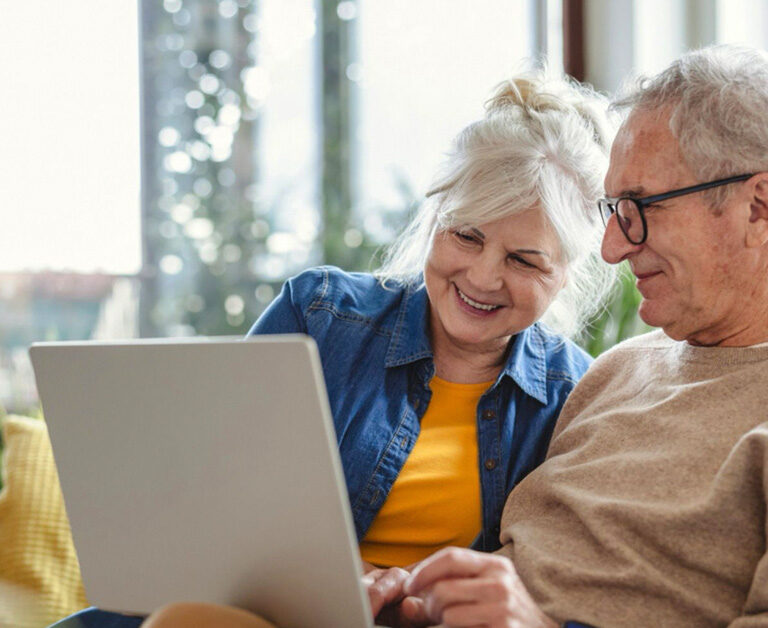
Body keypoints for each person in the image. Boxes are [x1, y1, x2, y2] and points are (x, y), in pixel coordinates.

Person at [49, 68, 616, 627]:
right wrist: (351, 578)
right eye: (466, 235)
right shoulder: (320, 315)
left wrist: (408, 599)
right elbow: (215, 512)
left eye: (523, 260)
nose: (484, 276)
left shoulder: (577, 398)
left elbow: (559, 591)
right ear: (434, 217)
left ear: (566, 272)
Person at [362, 43, 768, 627]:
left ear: (757, 208)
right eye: (614, 208)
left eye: (640, 206)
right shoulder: (618, 372)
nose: (612, 248)